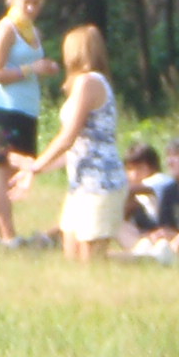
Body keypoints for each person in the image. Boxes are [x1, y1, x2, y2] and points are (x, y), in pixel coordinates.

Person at [9, 25, 127, 264]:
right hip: (80, 184)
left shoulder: (89, 83)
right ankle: (148, 258)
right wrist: (37, 169)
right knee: (72, 256)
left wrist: (35, 166)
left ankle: (150, 259)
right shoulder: (83, 84)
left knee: (91, 261)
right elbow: (77, 147)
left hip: (101, 183)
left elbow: (67, 137)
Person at [0, 0, 58, 245]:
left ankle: (1, 233)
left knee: (16, 172)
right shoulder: (7, 29)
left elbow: (32, 68)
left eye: (37, 3)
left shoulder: (32, 31)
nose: (31, 8)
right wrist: (30, 69)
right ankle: (7, 237)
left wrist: (46, 68)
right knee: (6, 170)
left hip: (28, 110)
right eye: (26, 1)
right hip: (7, 109)